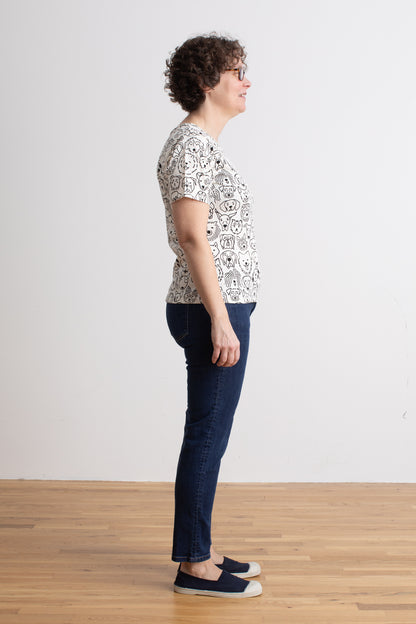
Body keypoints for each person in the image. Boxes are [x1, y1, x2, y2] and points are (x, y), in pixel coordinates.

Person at [157, 34, 262, 598]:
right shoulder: (191, 146)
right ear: (206, 81)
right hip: (209, 309)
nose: (246, 82)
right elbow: (193, 235)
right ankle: (194, 565)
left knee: (210, 433)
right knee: (206, 434)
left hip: (215, 305)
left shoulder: (201, 146)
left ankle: (202, 547)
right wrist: (220, 319)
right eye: (236, 72)